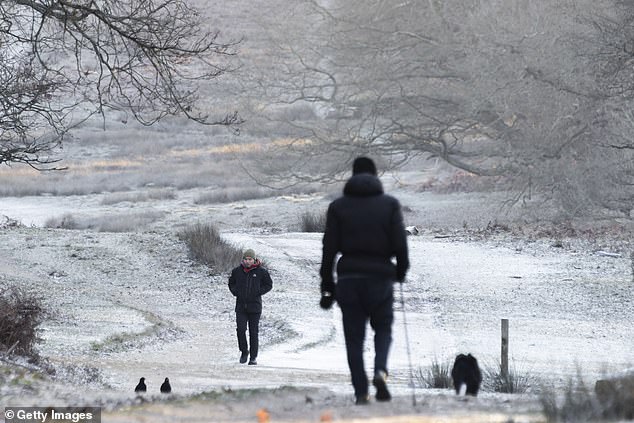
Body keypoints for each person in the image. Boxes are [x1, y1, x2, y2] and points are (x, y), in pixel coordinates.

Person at [319, 156, 409, 405]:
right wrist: (400, 271)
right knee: (383, 328)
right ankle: (380, 370)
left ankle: (361, 391)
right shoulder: (390, 205)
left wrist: (327, 285)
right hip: (380, 277)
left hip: (349, 279)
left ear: (353, 175)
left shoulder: (338, 207)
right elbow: (400, 243)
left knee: (354, 338)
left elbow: (329, 249)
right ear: (375, 175)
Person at [228, 248, 273, 365]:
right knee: (241, 330)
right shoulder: (237, 271)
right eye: (246, 259)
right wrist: (235, 292)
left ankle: (253, 357)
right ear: (243, 260)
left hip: (255, 307)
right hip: (241, 307)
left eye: (250, 259)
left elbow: (269, 284)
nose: (248, 261)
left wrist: (259, 291)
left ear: (254, 259)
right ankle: (244, 351)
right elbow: (231, 283)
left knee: (254, 332)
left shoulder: (261, 272)